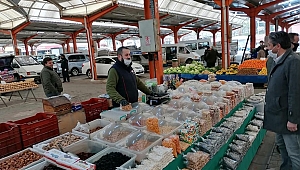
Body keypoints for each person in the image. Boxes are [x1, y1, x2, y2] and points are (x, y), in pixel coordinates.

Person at [264, 31, 300, 170]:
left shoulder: (293, 62)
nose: (267, 49)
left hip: (287, 116)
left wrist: (293, 118)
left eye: (269, 45)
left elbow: (295, 92)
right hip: (279, 115)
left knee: (294, 152)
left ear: (277, 46)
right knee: (282, 146)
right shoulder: (277, 60)